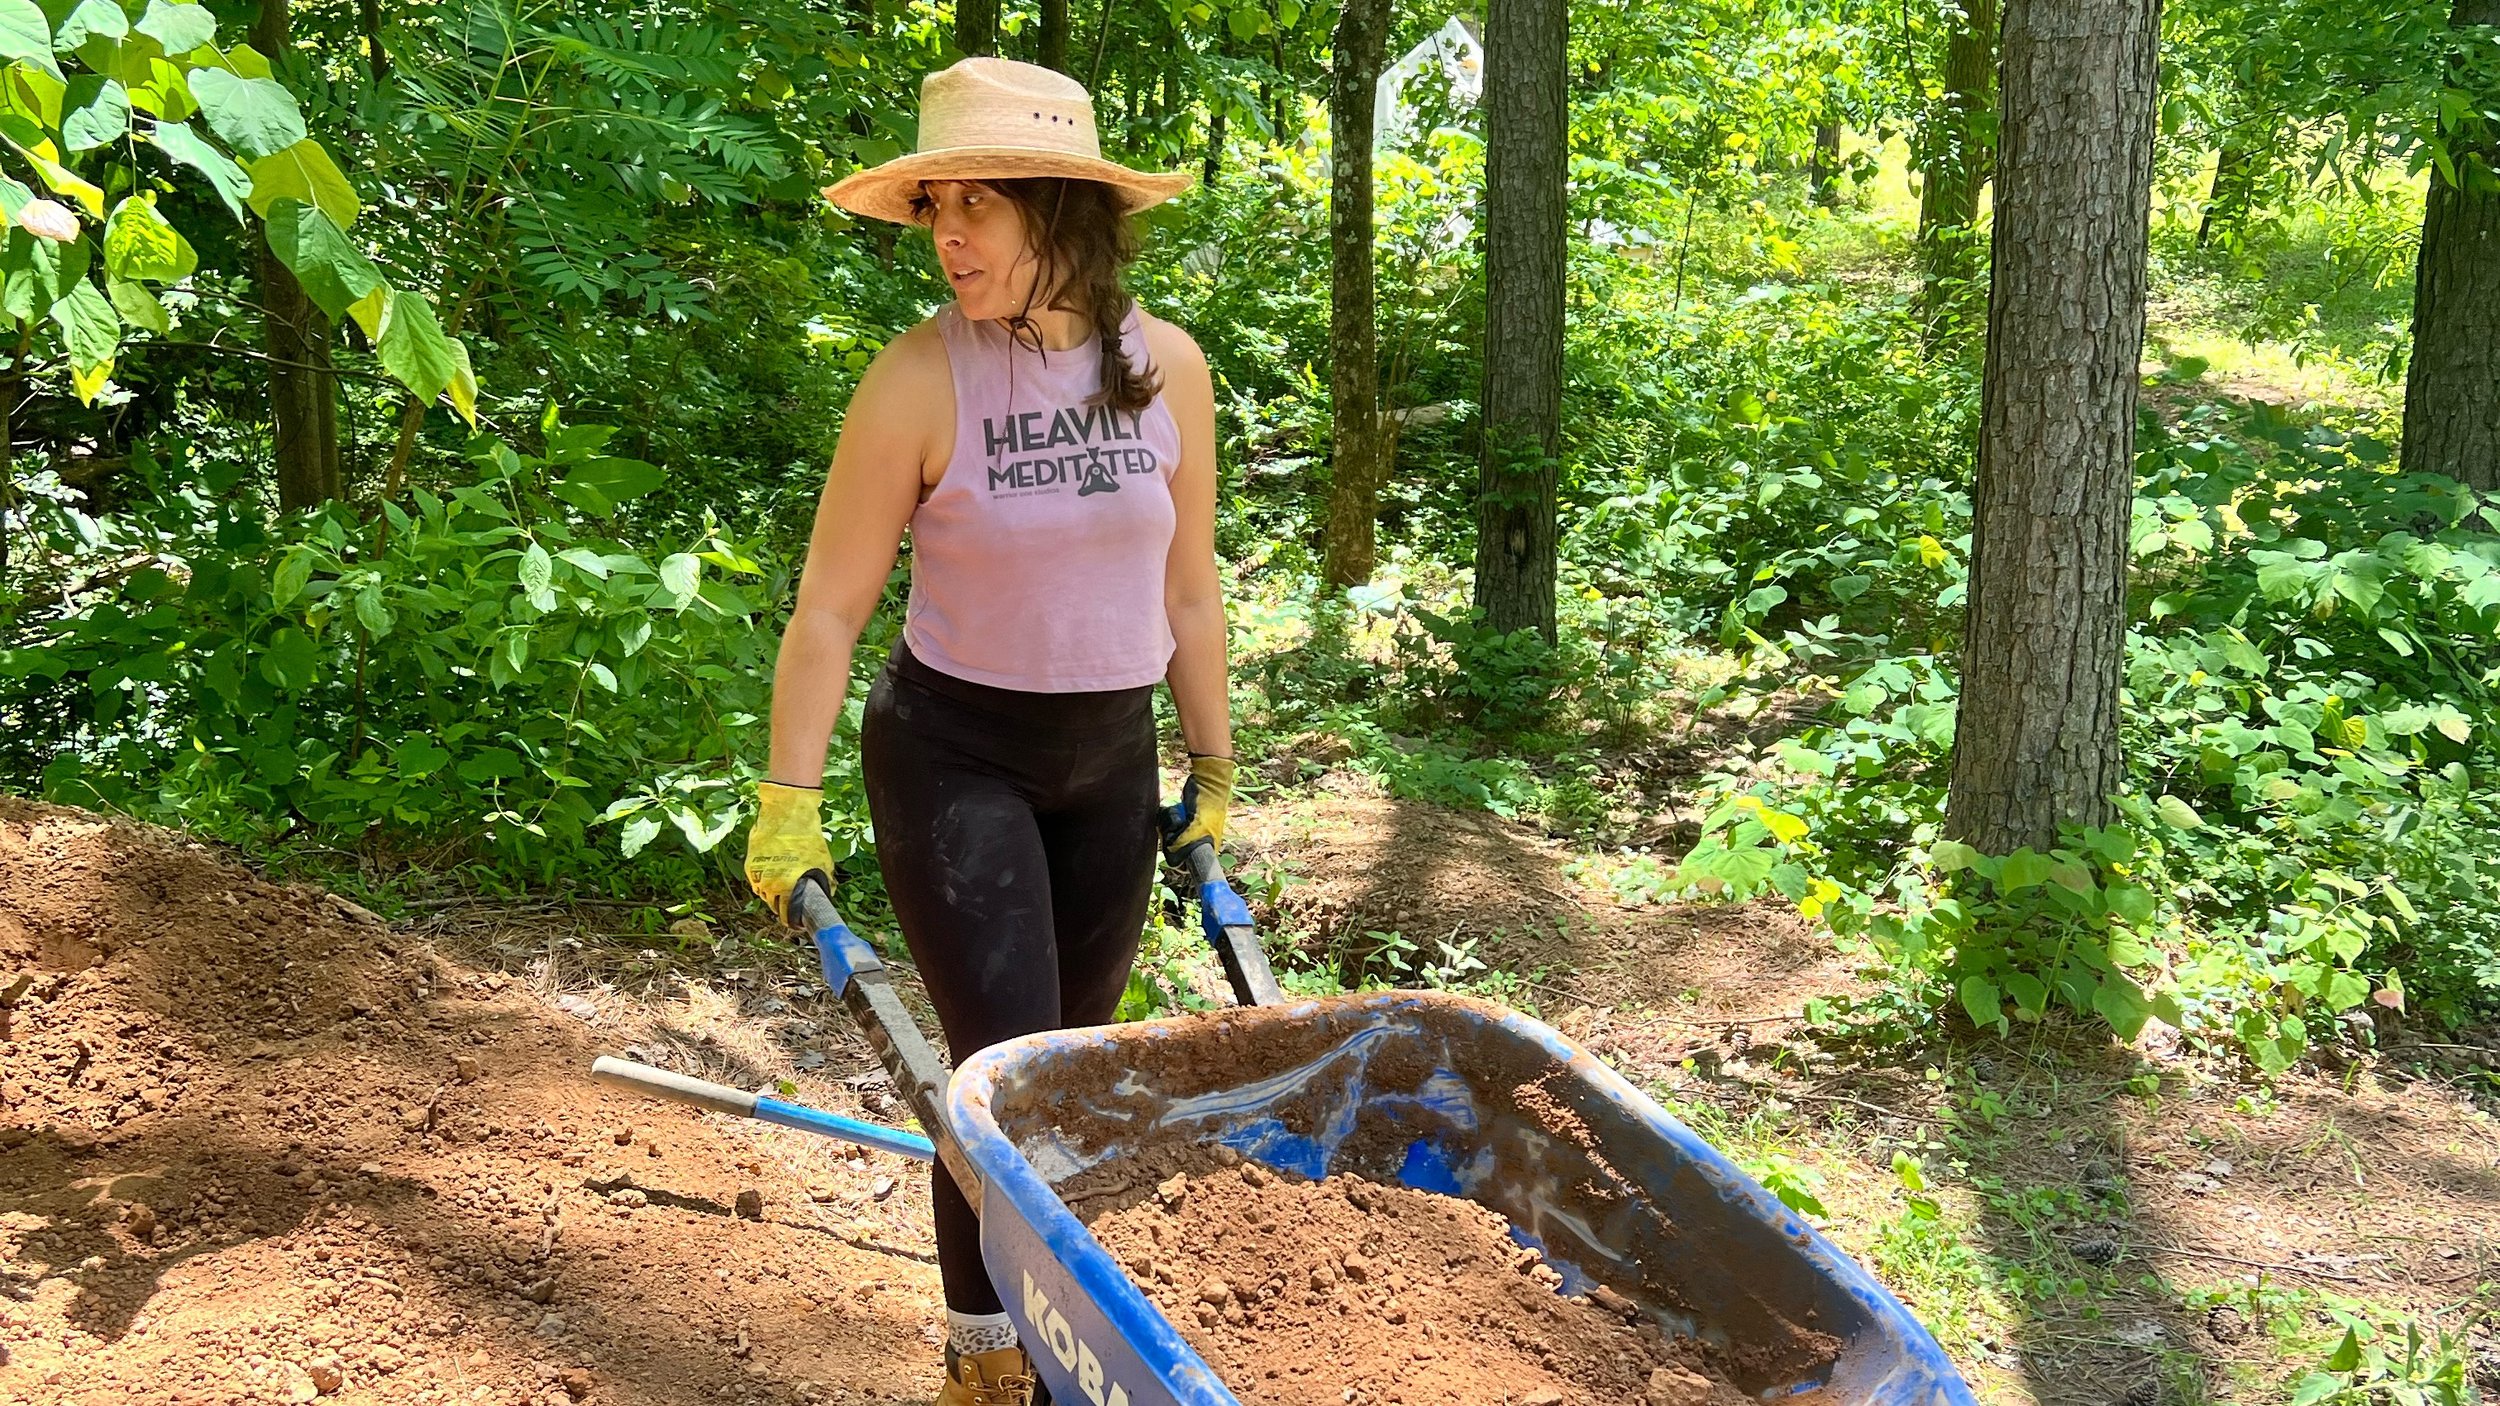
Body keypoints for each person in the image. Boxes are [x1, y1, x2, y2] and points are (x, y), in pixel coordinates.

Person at [739, 56, 1236, 1406]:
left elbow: (1188, 587)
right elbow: (830, 613)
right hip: (955, 756)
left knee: (1065, 1081)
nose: (946, 235)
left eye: (978, 205)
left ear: (1060, 210)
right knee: (1001, 1079)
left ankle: (1053, 1341)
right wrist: (789, 799)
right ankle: (987, 1360)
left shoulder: (1165, 370)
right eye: (935, 205)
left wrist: (1216, 768)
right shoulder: (919, 379)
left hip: (1110, 758)